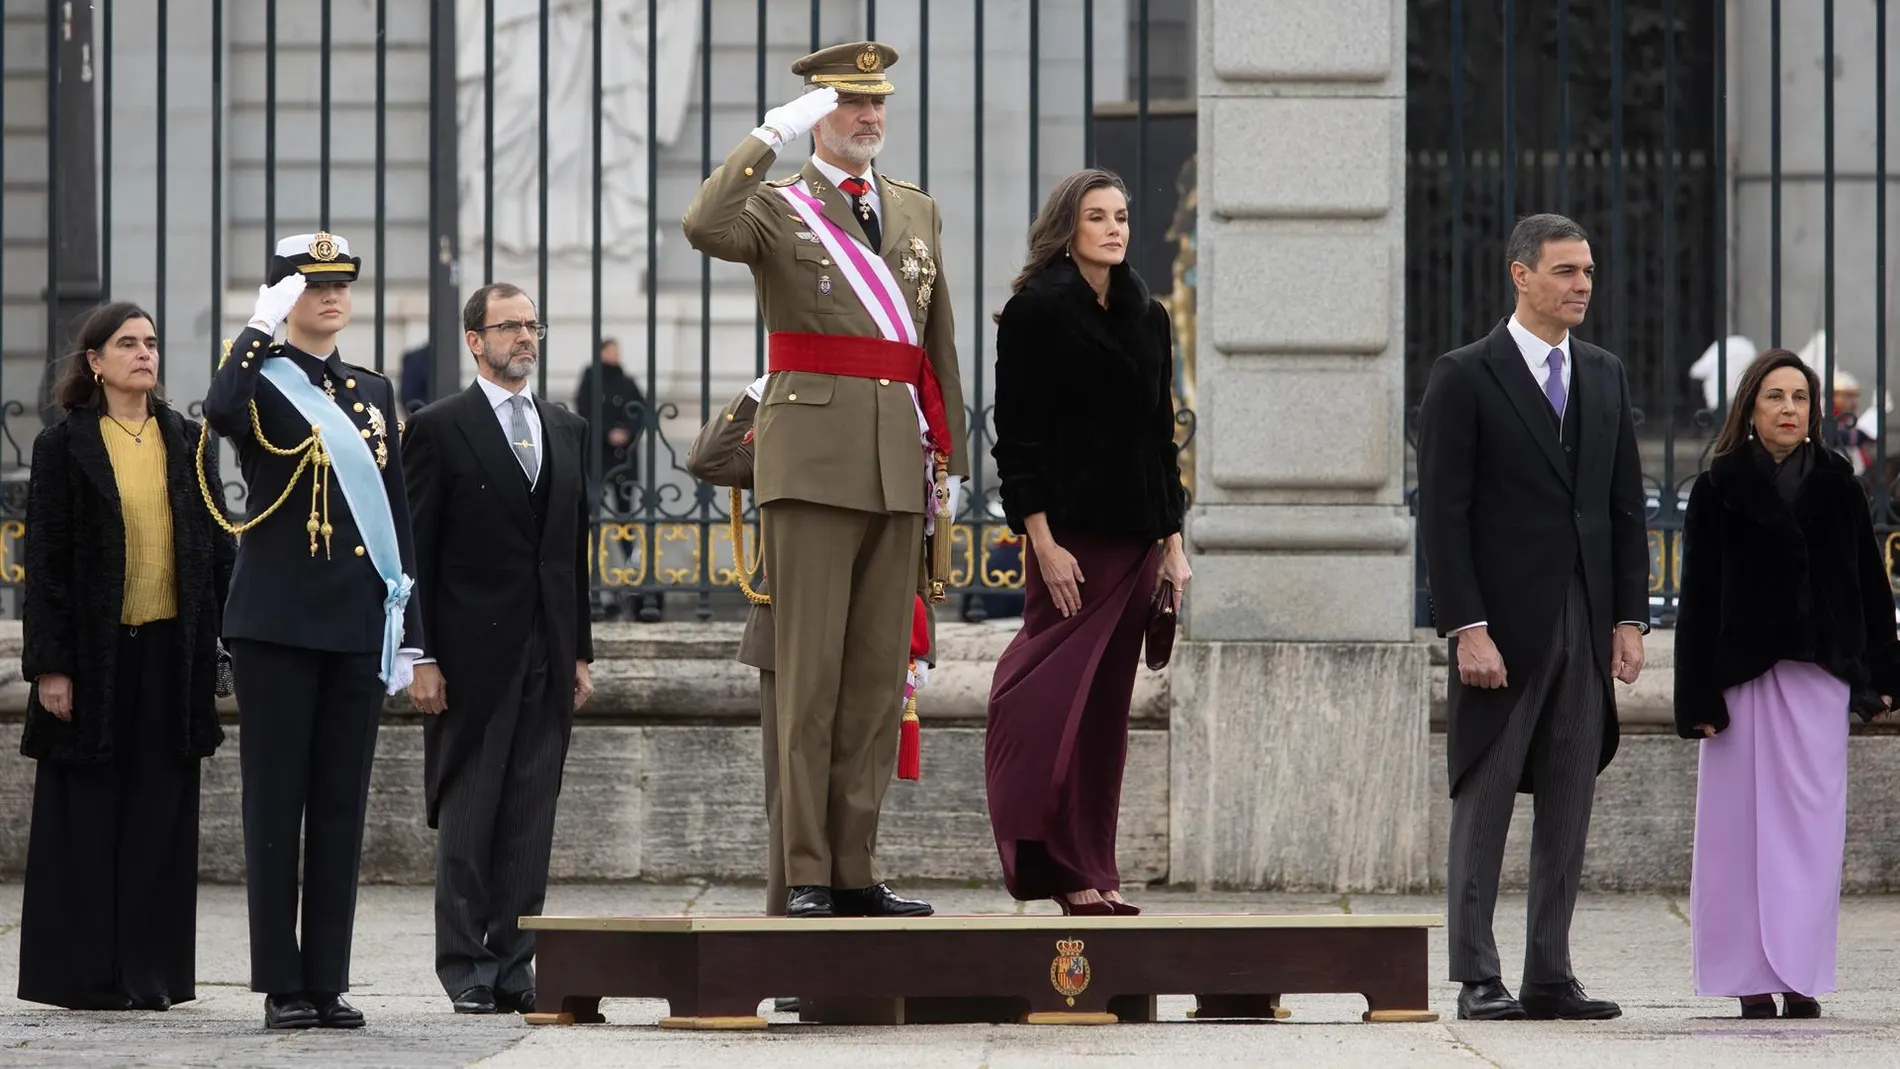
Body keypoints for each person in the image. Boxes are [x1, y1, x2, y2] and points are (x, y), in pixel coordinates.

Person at [681, 40, 968, 919]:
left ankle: (855, 866)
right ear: (818, 114)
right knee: (808, 683)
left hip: (896, 465)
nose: (869, 117)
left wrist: (949, 459)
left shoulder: (915, 209)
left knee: (877, 683)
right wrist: (771, 135)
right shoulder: (776, 206)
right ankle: (805, 867)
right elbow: (703, 226)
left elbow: (936, 343)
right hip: (809, 464)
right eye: (850, 103)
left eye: (877, 103)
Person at [1416, 212, 1649, 1022]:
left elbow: (1624, 506)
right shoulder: (1463, 375)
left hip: (1585, 620)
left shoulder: (1606, 373)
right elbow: (1444, 516)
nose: (1582, 284)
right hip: (1501, 629)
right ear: (1521, 275)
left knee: (1569, 799)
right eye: (1565, 271)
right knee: (1483, 801)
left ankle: (1550, 972)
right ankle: (1478, 976)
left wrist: (1629, 617)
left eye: (1588, 271)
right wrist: (1466, 626)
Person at [202, 231, 424, 1031]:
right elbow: (219, 411)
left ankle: (327, 979)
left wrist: (410, 632)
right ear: (285, 296)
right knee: (274, 806)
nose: (330, 297)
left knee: (339, 806)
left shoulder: (372, 389)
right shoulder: (258, 379)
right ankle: (281, 982)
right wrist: (257, 326)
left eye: (340, 285)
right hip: (277, 622)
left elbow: (395, 513)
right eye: (311, 285)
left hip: (355, 621)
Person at [982, 170, 1190, 917]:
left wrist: (1172, 544)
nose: (1114, 229)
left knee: (1105, 720)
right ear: (1067, 228)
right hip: (1069, 546)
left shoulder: (1148, 315)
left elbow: (1160, 441)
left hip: (1135, 546)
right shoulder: (1034, 312)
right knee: (1050, 704)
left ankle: (1095, 867)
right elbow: (1018, 440)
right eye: (1097, 217)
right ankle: (1049, 856)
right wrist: (1041, 541)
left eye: (1122, 217)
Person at [16, 302, 234, 1011]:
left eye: (151, 342)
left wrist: (239, 634)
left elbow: (218, 549)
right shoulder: (63, 445)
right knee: (86, 817)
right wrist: (51, 666)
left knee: (159, 817)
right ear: (96, 362)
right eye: (128, 343)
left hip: (171, 656)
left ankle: (151, 974)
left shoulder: (187, 439)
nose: (144, 353)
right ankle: (84, 975)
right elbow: (46, 563)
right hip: (93, 660)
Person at [1675, 349, 1900, 1020]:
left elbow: (1869, 585)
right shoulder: (1717, 488)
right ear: (1750, 407)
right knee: (1737, 831)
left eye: (1800, 398)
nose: (1789, 409)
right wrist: (1696, 697)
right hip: (1740, 680)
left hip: (1818, 681)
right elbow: (1697, 599)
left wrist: (1884, 675)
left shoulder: (1838, 485)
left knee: (1810, 831)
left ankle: (1800, 974)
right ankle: (1748, 976)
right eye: (1775, 396)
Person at [402, 283, 596, 1016]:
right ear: (475, 340)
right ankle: (467, 967)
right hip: (468, 657)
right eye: (509, 326)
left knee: (529, 817)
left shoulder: (566, 427)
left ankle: (516, 964)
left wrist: (579, 651)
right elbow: (416, 552)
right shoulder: (439, 427)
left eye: (532, 325)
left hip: (548, 650)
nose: (525, 337)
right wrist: (419, 654)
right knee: (470, 812)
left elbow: (571, 552)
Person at [685, 378, 939, 924]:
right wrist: (759, 393)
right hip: (793, 628)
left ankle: (854, 888)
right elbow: (708, 459)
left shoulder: (888, 426)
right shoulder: (790, 418)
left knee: (860, 766)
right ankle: (793, 936)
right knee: (793, 790)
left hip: (865, 631)